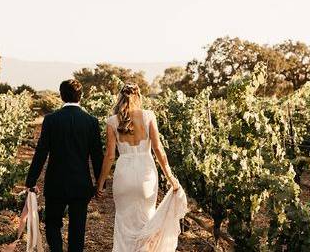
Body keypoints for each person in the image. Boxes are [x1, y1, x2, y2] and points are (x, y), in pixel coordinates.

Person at [95, 83, 188, 252]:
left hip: (124, 175)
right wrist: (170, 177)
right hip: (146, 174)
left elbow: (109, 156)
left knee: (123, 223)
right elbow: (158, 149)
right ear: (139, 96)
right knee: (147, 220)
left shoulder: (112, 121)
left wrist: (100, 184)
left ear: (120, 97)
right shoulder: (148, 116)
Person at [25, 79, 104, 252]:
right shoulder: (91, 121)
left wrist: (31, 180)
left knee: (52, 223)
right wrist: (100, 183)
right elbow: (97, 155)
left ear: (61, 96)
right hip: (81, 184)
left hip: (56, 183)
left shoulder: (51, 120)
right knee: (78, 229)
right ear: (80, 96)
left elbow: (41, 152)